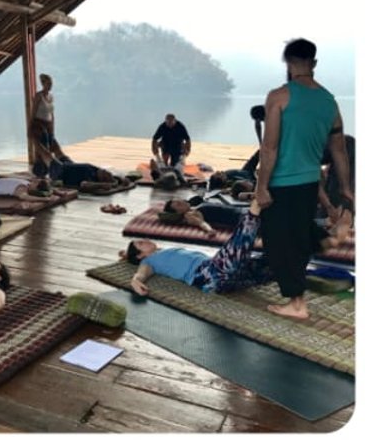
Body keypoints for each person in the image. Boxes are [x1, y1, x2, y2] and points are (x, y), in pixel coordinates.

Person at [254, 38, 351, 320]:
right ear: (314, 63)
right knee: (297, 232)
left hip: (282, 182)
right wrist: (345, 188)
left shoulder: (279, 96)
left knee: (279, 242)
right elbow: (339, 150)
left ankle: (297, 303)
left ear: (288, 63)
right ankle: (326, 241)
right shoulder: (329, 101)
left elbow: (269, 147)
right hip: (309, 182)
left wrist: (261, 186)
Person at [122, 211, 270, 296]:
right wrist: (135, 281)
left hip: (222, 277)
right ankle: (253, 213)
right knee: (237, 247)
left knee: (268, 263)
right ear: (140, 255)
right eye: (141, 243)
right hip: (206, 275)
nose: (145, 240)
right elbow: (141, 274)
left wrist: (125, 254)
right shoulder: (148, 262)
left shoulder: (161, 252)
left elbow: (127, 254)